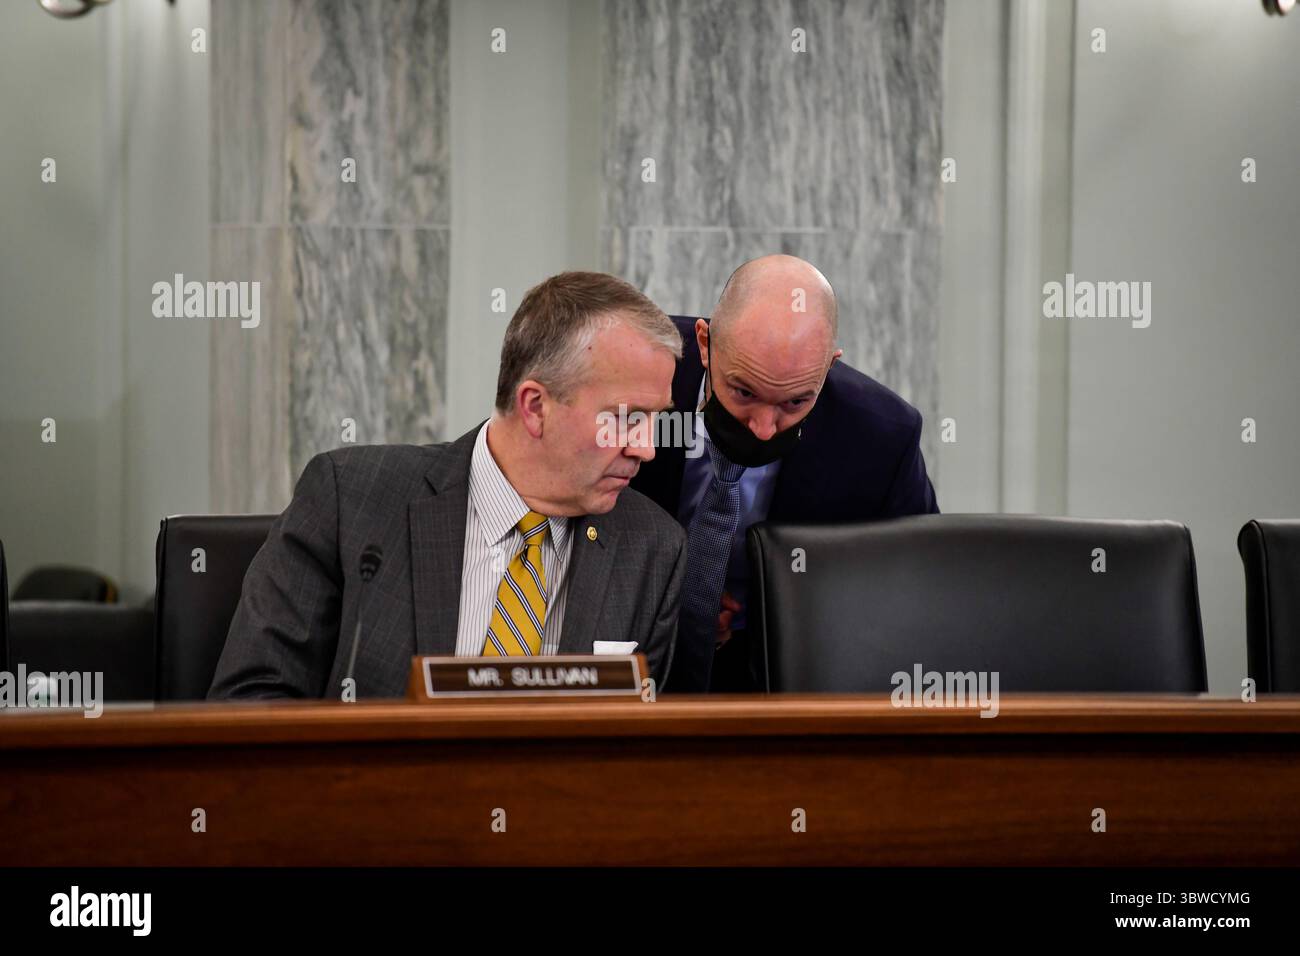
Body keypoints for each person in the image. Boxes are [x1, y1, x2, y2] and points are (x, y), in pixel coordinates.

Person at [210, 271, 686, 699]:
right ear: (536, 407)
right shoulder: (352, 500)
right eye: (627, 419)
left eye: (655, 420)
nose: (646, 448)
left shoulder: (652, 548)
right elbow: (252, 702)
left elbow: (635, 750)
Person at [631, 254, 939, 693]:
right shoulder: (636, 367)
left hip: (783, 678)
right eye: (743, 391)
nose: (762, 427)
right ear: (704, 343)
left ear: (828, 367)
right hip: (626, 652)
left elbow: (917, 582)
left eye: (795, 402)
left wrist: (765, 611)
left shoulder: (882, 436)